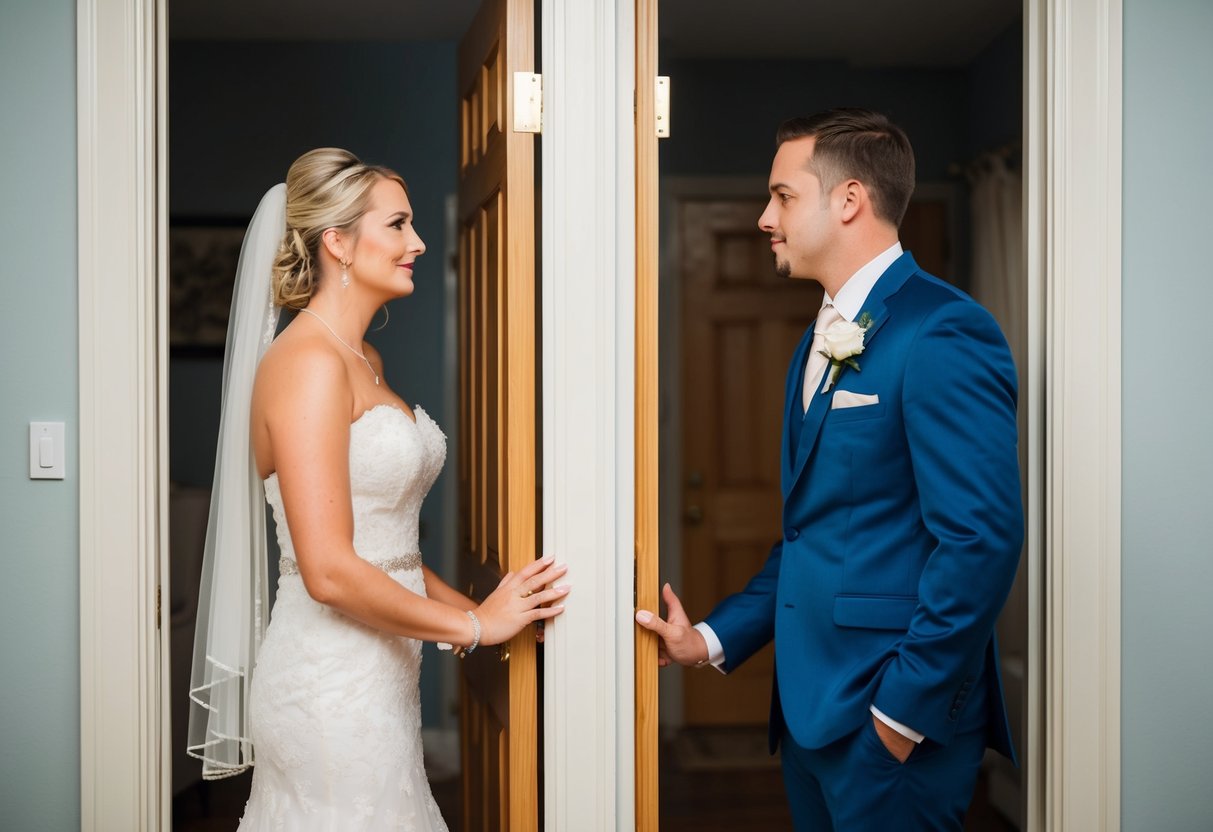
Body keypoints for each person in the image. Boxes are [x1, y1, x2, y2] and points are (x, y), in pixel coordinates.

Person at [636, 109, 1023, 830]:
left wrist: (898, 718)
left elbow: (981, 541)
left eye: (782, 196)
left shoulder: (943, 330)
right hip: (809, 720)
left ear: (848, 200)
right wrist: (709, 640)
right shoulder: (815, 339)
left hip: (889, 724)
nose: (764, 218)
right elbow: (812, 533)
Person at [186, 148, 568, 830]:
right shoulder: (307, 363)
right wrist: (476, 628)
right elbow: (330, 572)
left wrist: (495, 614)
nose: (417, 242)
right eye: (397, 224)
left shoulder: (363, 357)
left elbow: (387, 551)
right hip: (328, 687)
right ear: (336, 241)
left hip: (380, 678)